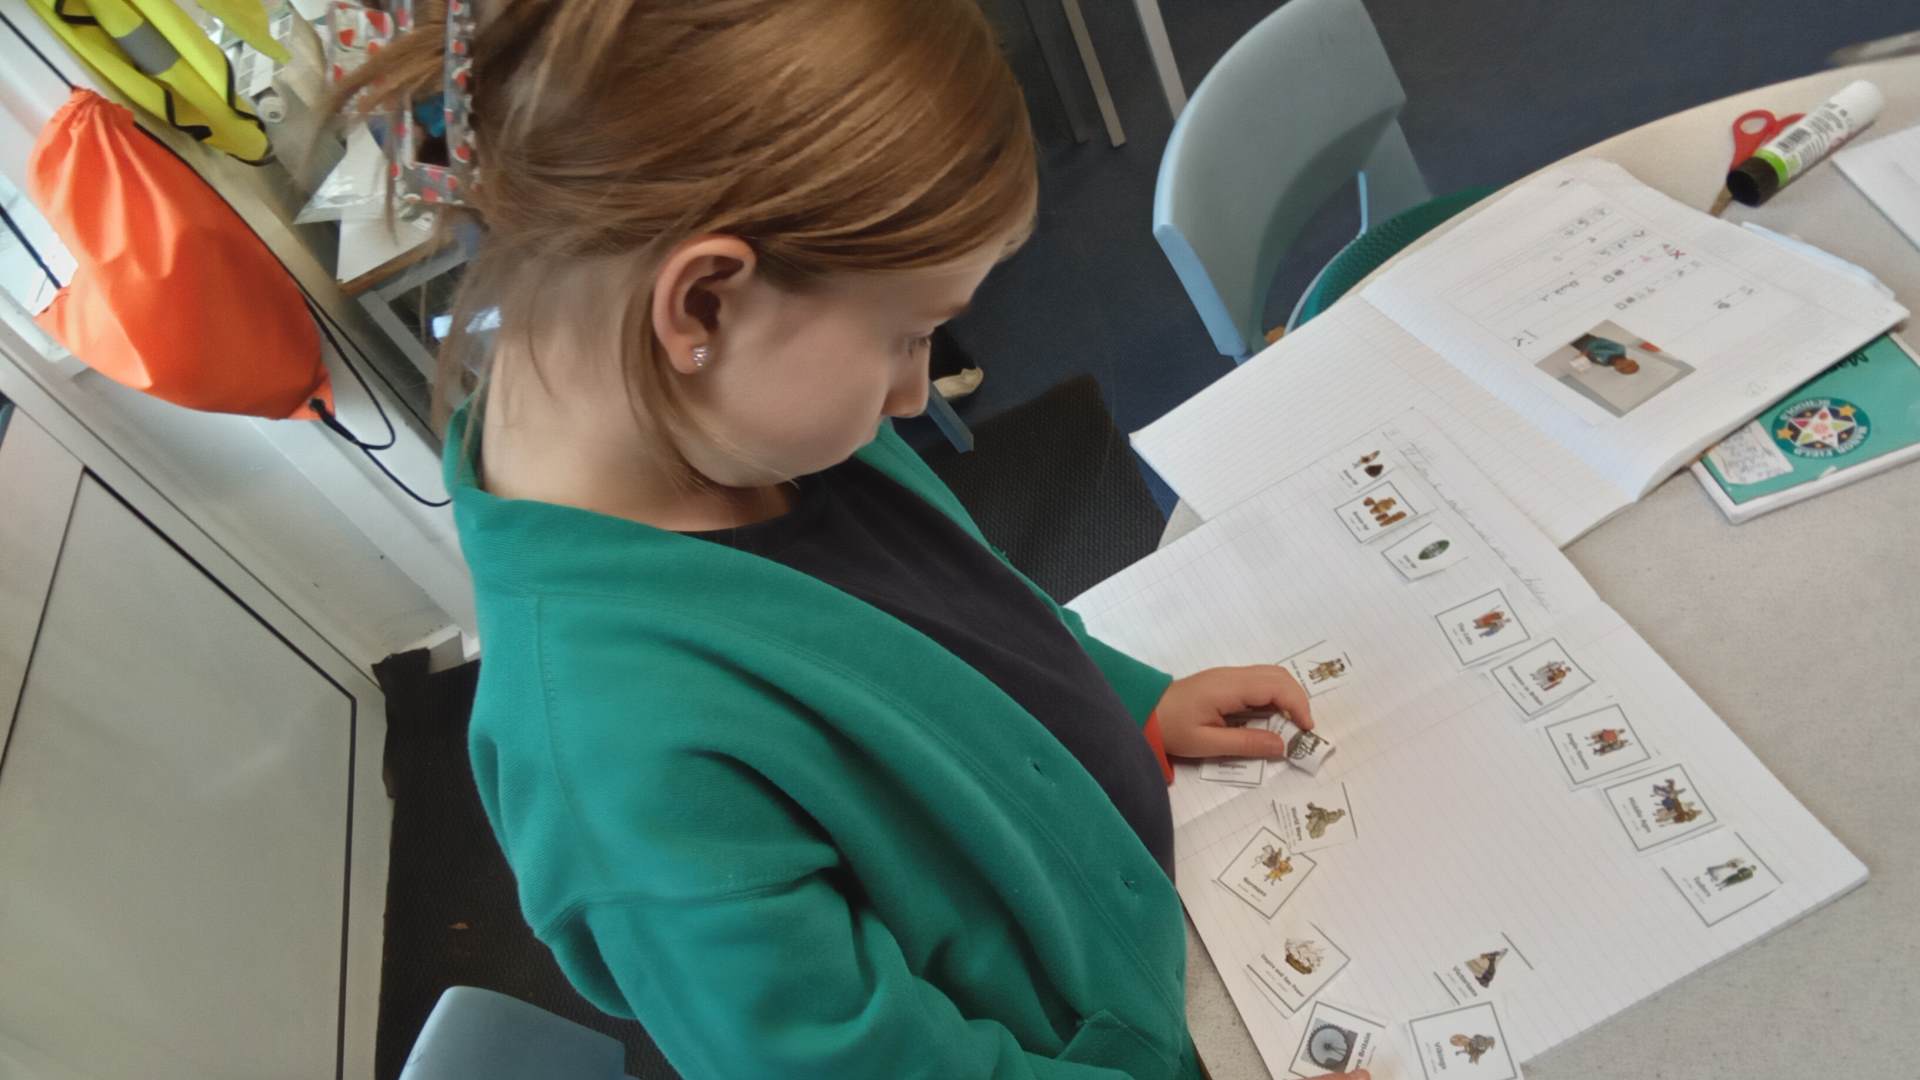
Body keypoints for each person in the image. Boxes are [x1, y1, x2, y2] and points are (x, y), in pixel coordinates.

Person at [337, 3, 1357, 1077]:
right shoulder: (615, 766)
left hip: (1135, 902)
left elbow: (967, 610)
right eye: (910, 335)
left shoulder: (733, 418)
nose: (918, 391)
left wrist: (1128, 700)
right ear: (703, 306)